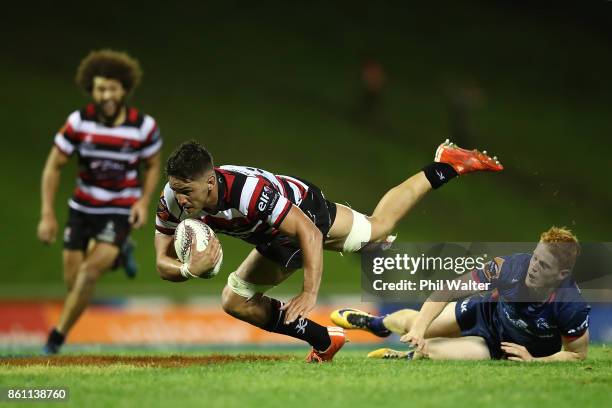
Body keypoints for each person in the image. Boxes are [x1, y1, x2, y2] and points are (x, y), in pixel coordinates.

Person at [154, 139, 502, 362]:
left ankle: (323, 339)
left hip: (300, 214)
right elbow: (161, 261)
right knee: (378, 226)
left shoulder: (248, 194)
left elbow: (306, 230)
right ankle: (446, 165)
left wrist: (309, 291)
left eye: (187, 190)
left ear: (211, 181)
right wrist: (188, 270)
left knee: (235, 298)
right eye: (176, 190)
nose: (182, 199)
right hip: (283, 220)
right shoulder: (172, 200)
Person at [37, 50, 163, 354]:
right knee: (73, 283)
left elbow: (153, 165)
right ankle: (120, 254)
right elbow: (54, 165)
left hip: (119, 210)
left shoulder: (143, 127)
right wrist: (47, 214)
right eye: (100, 88)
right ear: (91, 90)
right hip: (81, 209)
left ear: (124, 89)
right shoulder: (79, 123)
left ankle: (55, 339)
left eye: (112, 88)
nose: (106, 95)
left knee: (88, 273)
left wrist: (143, 202)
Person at [331, 227, 590, 362]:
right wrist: (420, 329)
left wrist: (534, 361)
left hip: (501, 348)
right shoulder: (509, 267)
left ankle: (406, 355)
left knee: (429, 353)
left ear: (561, 273)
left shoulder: (571, 305)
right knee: (417, 325)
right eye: (535, 258)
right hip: (483, 312)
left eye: (543, 265)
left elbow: (577, 355)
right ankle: (377, 325)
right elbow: (447, 290)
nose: (533, 268)